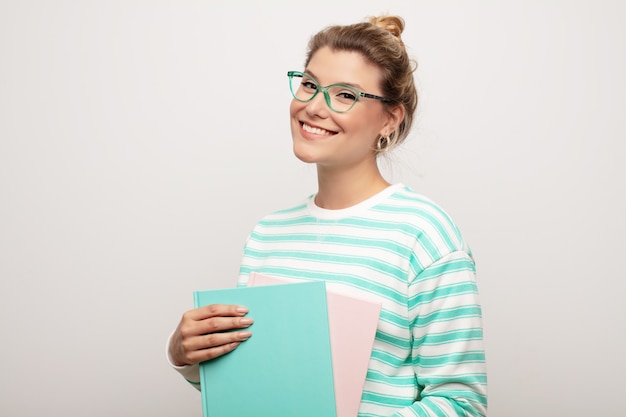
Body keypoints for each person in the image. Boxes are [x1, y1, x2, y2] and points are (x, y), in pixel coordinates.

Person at [168, 15, 488, 417]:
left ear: (390, 119)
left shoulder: (425, 235)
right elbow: (258, 386)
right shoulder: (267, 234)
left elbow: (461, 404)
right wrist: (187, 356)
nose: (314, 107)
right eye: (309, 84)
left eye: (345, 95)